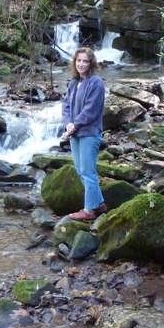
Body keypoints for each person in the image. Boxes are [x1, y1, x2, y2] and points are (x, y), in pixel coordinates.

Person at [61, 47, 107, 221]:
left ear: (91, 63)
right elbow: (65, 106)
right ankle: (99, 203)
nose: (81, 64)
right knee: (80, 171)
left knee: (88, 171)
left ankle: (89, 210)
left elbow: (91, 110)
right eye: (78, 60)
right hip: (75, 133)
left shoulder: (96, 83)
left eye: (85, 61)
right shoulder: (74, 83)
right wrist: (68, 124)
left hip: (89, 133)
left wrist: (75, 125)